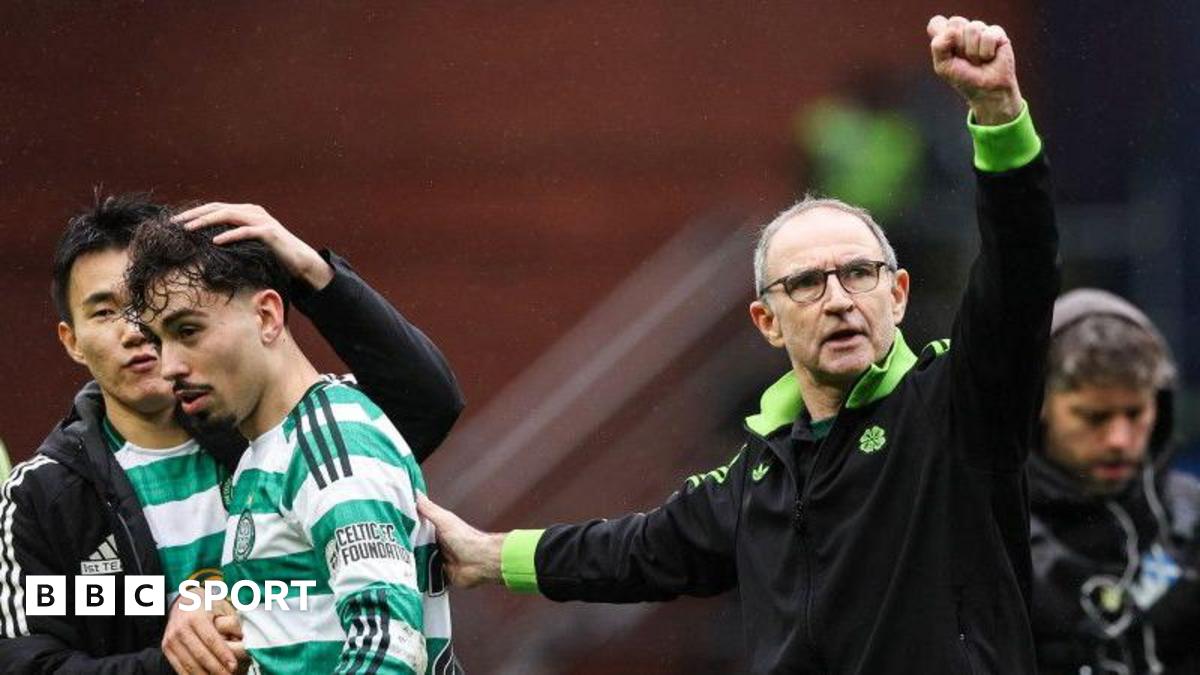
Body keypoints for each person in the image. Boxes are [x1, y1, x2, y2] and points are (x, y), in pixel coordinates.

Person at [419, 15, 1058, 674]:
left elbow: (1022, 271)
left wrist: (1000, 114)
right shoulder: (760, 473)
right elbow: (634, 549)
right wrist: (488, 554)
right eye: (807, 282)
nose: (838, 298)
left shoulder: (956, 406)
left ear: (896, 295)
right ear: (768, 321)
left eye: (858, 273)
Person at [0, 196, 464, 674]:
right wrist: (180, 647)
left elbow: (424, 402)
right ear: (71, 340)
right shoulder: (45, 494)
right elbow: (29, 658)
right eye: (104, 312)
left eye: (167, 317)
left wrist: (311, 272)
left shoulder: (290, 428)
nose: (135, 332)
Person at [125, 211, 460, 674]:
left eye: (188, 331)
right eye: (159, 341)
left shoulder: (331, 439)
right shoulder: (271, 448)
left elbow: (389, 650)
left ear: (266, 316)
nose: (169, 366)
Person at [1029, 288, 1200, 674]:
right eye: (1094, 417)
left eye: (1135, 412)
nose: (1119, 440)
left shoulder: (1191, 514)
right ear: (1038, 404)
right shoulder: (992, 528)